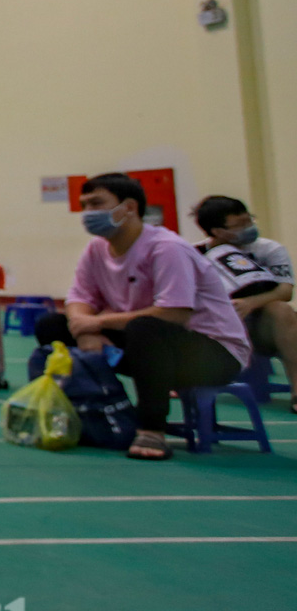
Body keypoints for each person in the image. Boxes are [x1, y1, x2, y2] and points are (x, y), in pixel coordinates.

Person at [32, 173, 250, 460]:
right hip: (146, 346)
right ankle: (91, 412)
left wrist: (98, 323)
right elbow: (79, 299)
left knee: (145, 328)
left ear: (129, 207)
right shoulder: (96, 249)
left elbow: (174, 313)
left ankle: (152, 430)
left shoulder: (167, 248)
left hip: (211, 352)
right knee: (52, 325)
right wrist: (85, 330)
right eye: (84, 205)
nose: (88, 214)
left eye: (97, 204)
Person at [192, 194, 297, 413]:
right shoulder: (193, 254)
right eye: (240, 224)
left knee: (282, 310)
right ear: (217, 231)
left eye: (249, 220)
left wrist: (250, 303)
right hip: (215, 326)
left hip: (260, 327)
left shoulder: (269, 249)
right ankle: (182, 379)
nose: (248, 227)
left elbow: (285, 291)